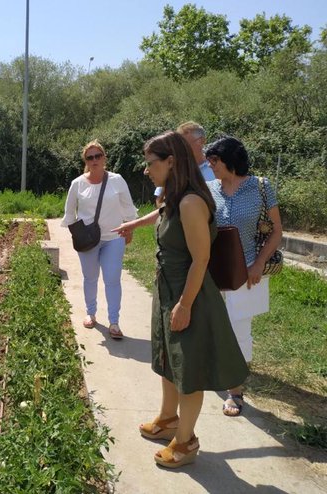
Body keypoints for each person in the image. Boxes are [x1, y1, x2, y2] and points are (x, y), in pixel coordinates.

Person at [137, 131, 248, 468]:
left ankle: (186, 441)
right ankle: (168, 419)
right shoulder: (172, 199)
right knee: (169, 361)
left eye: (151, 163)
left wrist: (184, 305)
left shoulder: (189, 202)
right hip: (168, 290)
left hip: (190, 295)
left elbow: (200, 259)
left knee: (189, 370)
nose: (147, 171)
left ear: (171, 162)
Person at [205, 137, 283, 416]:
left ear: (230, 160)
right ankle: (216, 370)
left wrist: (259, 264)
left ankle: (235, 391)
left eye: (214, 160)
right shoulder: (209, 188)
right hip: (213, 270)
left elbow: (276, 231)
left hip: (247, 269)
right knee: (214, 324)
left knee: (240, 329)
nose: (210, 165)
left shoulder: (260, 187)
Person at [61, 139, 138, 339]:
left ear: (104, 158)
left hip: (114, 237)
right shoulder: (77, 184)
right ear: (85, 161)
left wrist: (129, 230)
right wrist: (76, 235)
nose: (94, 160)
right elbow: (69, 214)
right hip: (88, 241)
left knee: (112, 279)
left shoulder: (117, 180)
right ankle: (91, 313)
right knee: (90, 277)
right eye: (90, 157)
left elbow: (128, 208)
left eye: (98, 156)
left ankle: (114, 322)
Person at [114, 121, 215, 233]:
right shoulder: (176, 178)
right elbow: (163, 207)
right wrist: (137, 223)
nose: (181, 150)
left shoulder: (215, 168)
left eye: (185, 145)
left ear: (202, 141)